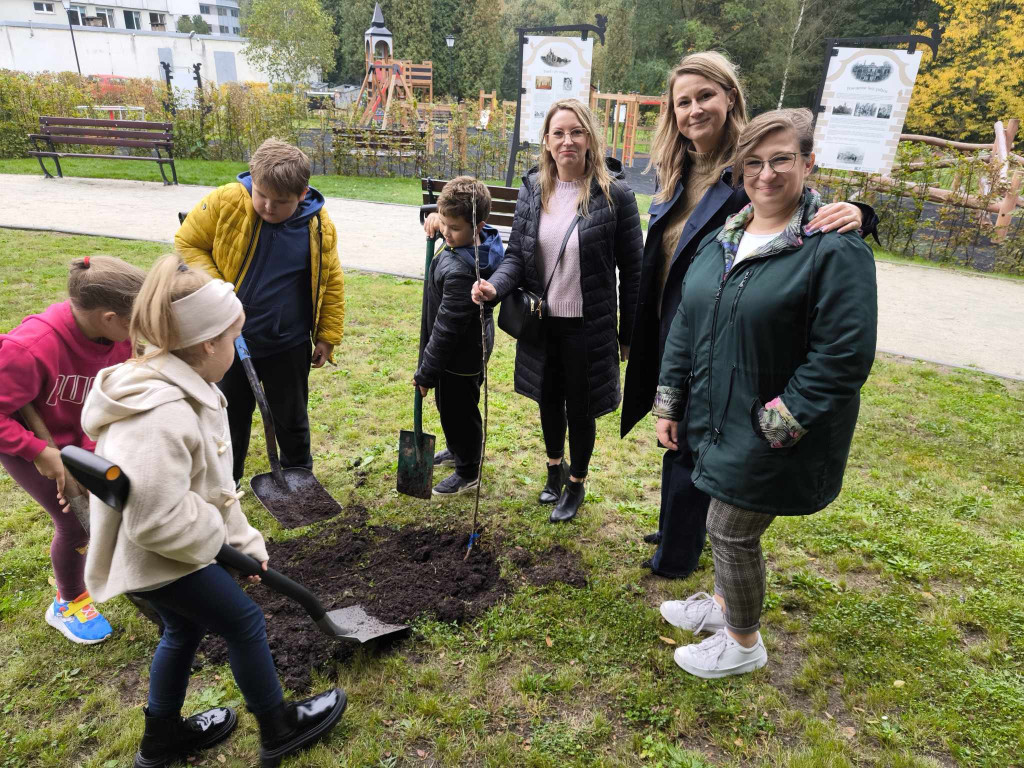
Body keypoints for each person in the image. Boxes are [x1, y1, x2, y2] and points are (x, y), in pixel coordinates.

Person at [81, 255, 346, 768]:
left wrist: (246, 547)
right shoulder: (160, 413)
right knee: (244, 622)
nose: (236, 348)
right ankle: (278, 727)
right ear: (206, 344)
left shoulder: (183, 385)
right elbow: (156, 518)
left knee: (183, 630)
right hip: (158, 555)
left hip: (168, 547)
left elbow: (212, 491)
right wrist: (218, 549)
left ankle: (162, 740)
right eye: (233, 339)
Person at [620, 51, 878, 578]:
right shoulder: (677, 168)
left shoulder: (746, 166)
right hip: (677, 320)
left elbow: (795, 199)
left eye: (706, 96)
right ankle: (678, 525)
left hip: (726, 324)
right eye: (683, 101)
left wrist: (861, 212)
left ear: (730, 97)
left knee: (709, 435)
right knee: (681, 436)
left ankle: (680, 551)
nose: (694, 110)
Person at [653, 108, 878, 678]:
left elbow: (843, 355)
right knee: (720, 520)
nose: (767, 173)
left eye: (782, 159)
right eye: (753, 162)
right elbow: (686, 322)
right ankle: (725, 605)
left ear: (808, 162)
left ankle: (743, 642)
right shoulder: (726, 237)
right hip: (715, 414)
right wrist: (671, 400)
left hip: (767, 425)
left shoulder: (832, 247)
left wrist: (783, 420)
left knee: (729, 530)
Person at [469, 98, 643, 523]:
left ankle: (577, 482)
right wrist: (494, 285)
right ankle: (553, 470)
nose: (567, 141)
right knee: (548, 400)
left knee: (581, 408)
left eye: (576, 132)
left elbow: (634, 272)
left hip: (589, 325)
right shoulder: (534, 189)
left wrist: (627, 336)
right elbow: (516, 256)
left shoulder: (615, 195)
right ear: (546, 142)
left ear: (589, 139)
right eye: (558, 133)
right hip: (541, 321)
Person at [175, 138, 344, 486]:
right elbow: (188, 242)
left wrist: (327, 336)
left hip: (288, 341)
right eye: (261, 194)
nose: (267, 206)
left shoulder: (318, 226)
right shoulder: (226, 201)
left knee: (291, 416)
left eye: (280, 201)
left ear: (302, 193)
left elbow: (332, 279)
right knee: (230, 413)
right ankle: (226, 481)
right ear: (252, 178)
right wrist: (220, 290)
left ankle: (298, 476)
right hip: (229, 339)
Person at [0, 255, 145, 645]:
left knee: (111, 505)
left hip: (85, 434)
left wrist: (87, 452)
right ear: (110, 317)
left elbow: (107, 398)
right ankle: (69, 601)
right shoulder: (30, 348)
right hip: (29, 445)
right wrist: (38, 451)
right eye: (137, 320)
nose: (142, 330)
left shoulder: (119, 338)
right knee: (75, 522)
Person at [416, 177, 505, 496]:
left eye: (453, 228)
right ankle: (458, 450)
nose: (446, 232)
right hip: (462, 346)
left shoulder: (465, 271)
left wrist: (426, 372)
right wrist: (437, 219)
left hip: (461, 352)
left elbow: (446, 330)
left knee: (459, 410)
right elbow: (444, 220)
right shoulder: (476, 238)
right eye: (445, 224)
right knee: (451, 405)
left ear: (478, 226)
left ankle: (468, 471)